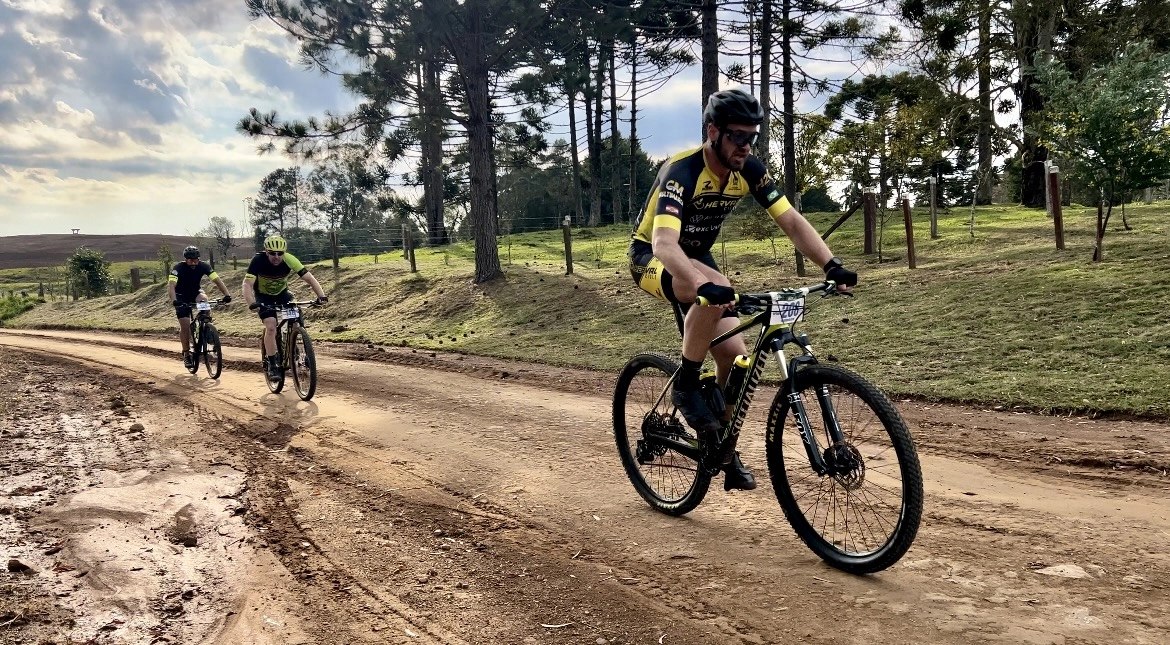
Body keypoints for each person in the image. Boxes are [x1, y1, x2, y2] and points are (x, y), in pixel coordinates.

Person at [627, 88, 858, 492]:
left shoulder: (749, 169)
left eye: (752, 137)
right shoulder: (680, 171)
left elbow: (791, 221)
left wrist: (831, 264)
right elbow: (665, 244)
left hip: (698, 258)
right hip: (652, 257)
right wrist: (702, 284)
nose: (745, 145)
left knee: (736, 363)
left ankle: (721, 447)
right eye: (737, 136)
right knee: (714, 288)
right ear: (713, 131)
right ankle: (685, 382)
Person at [243, 235, 328, 382]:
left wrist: (321, 296)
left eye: (280, 253)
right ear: (266, 252)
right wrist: (251, 303)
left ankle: (295, 343)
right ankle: (273, 364)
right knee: (270, 326)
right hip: (263, 297)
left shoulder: (290, 259)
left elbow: (309, 278)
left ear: (284, 252)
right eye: (272, 253)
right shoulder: (258, 260)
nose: (276, 257)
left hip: (283, 294)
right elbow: (247, 284)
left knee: (296, 319)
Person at [168, 246, 232, 370]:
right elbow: (171, 286)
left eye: (196, 260)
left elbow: (217, 280)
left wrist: (227, 295)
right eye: (191, 260)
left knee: (204, 301)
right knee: (185, 325)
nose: (194, 263)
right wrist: (174, 300)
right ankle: (186, 353)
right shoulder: (178, 268)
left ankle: (206, 328)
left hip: (195, 292)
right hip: (180, 296)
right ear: (185, 259)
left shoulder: (204, 266)